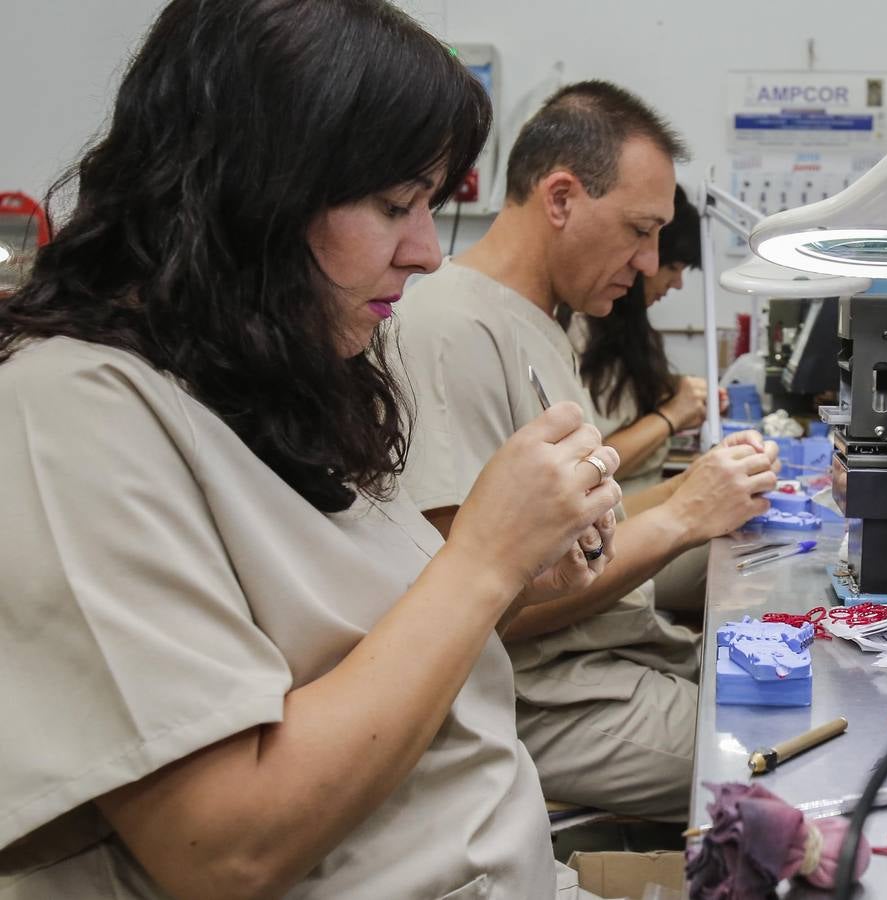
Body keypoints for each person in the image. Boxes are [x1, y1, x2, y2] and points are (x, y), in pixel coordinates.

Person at [0, 2, 621, 898]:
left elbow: (350, 644)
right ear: (251, 189)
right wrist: (481, 560)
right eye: (394, 204)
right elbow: (223, 849)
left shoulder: (260, 373)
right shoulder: (68, 406)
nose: (425, 253)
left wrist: (518, 564)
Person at [396, 81, 779, 821]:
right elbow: (475, 615)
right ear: (562, 198)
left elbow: (575, 533)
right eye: (639, 231)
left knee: (799, 690)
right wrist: (679, 519)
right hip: (539, 696)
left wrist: (691, 490)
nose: (647, 263)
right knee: (780, 759)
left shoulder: (546, 322)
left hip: (600, 658)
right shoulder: (449, 332)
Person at [564, 184, 723, 610]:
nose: (673, 281)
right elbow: (591, 467)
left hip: (639, 506)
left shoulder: (620, 336)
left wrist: (673, 389)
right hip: (617, 524)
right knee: (734, 570)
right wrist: (671, 416)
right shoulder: (576, 335)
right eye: (672, 266)